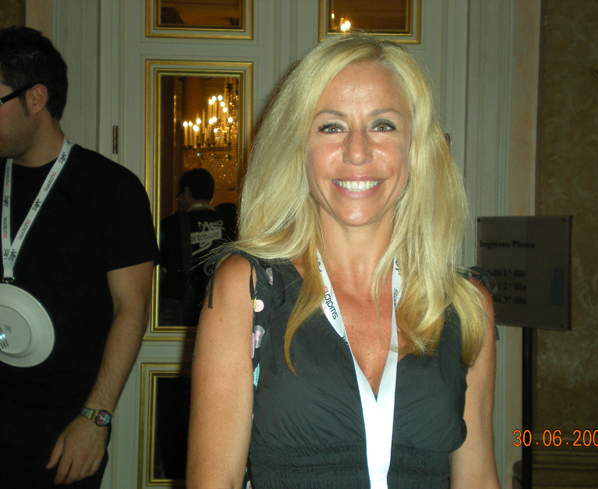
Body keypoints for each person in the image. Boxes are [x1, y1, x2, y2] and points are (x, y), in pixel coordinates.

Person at [187, 33, 499, 489]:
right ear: (298, 147)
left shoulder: (466, 305)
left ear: (416, 148)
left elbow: (479, 480)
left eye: (383, 125)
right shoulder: (249, 288)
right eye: (331, 127)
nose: (357, 152)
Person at [0, 26, 158, 488]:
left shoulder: (111, 190)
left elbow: (131, 310)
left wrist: (96, 418)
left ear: (35, 98)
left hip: (65, 429)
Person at [159, 168, 237, 326]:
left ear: (187, 192)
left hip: (178, 304)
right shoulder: (230, 224)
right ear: (211, 193)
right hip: (220, 301)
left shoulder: (169, 225)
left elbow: (159, 265)